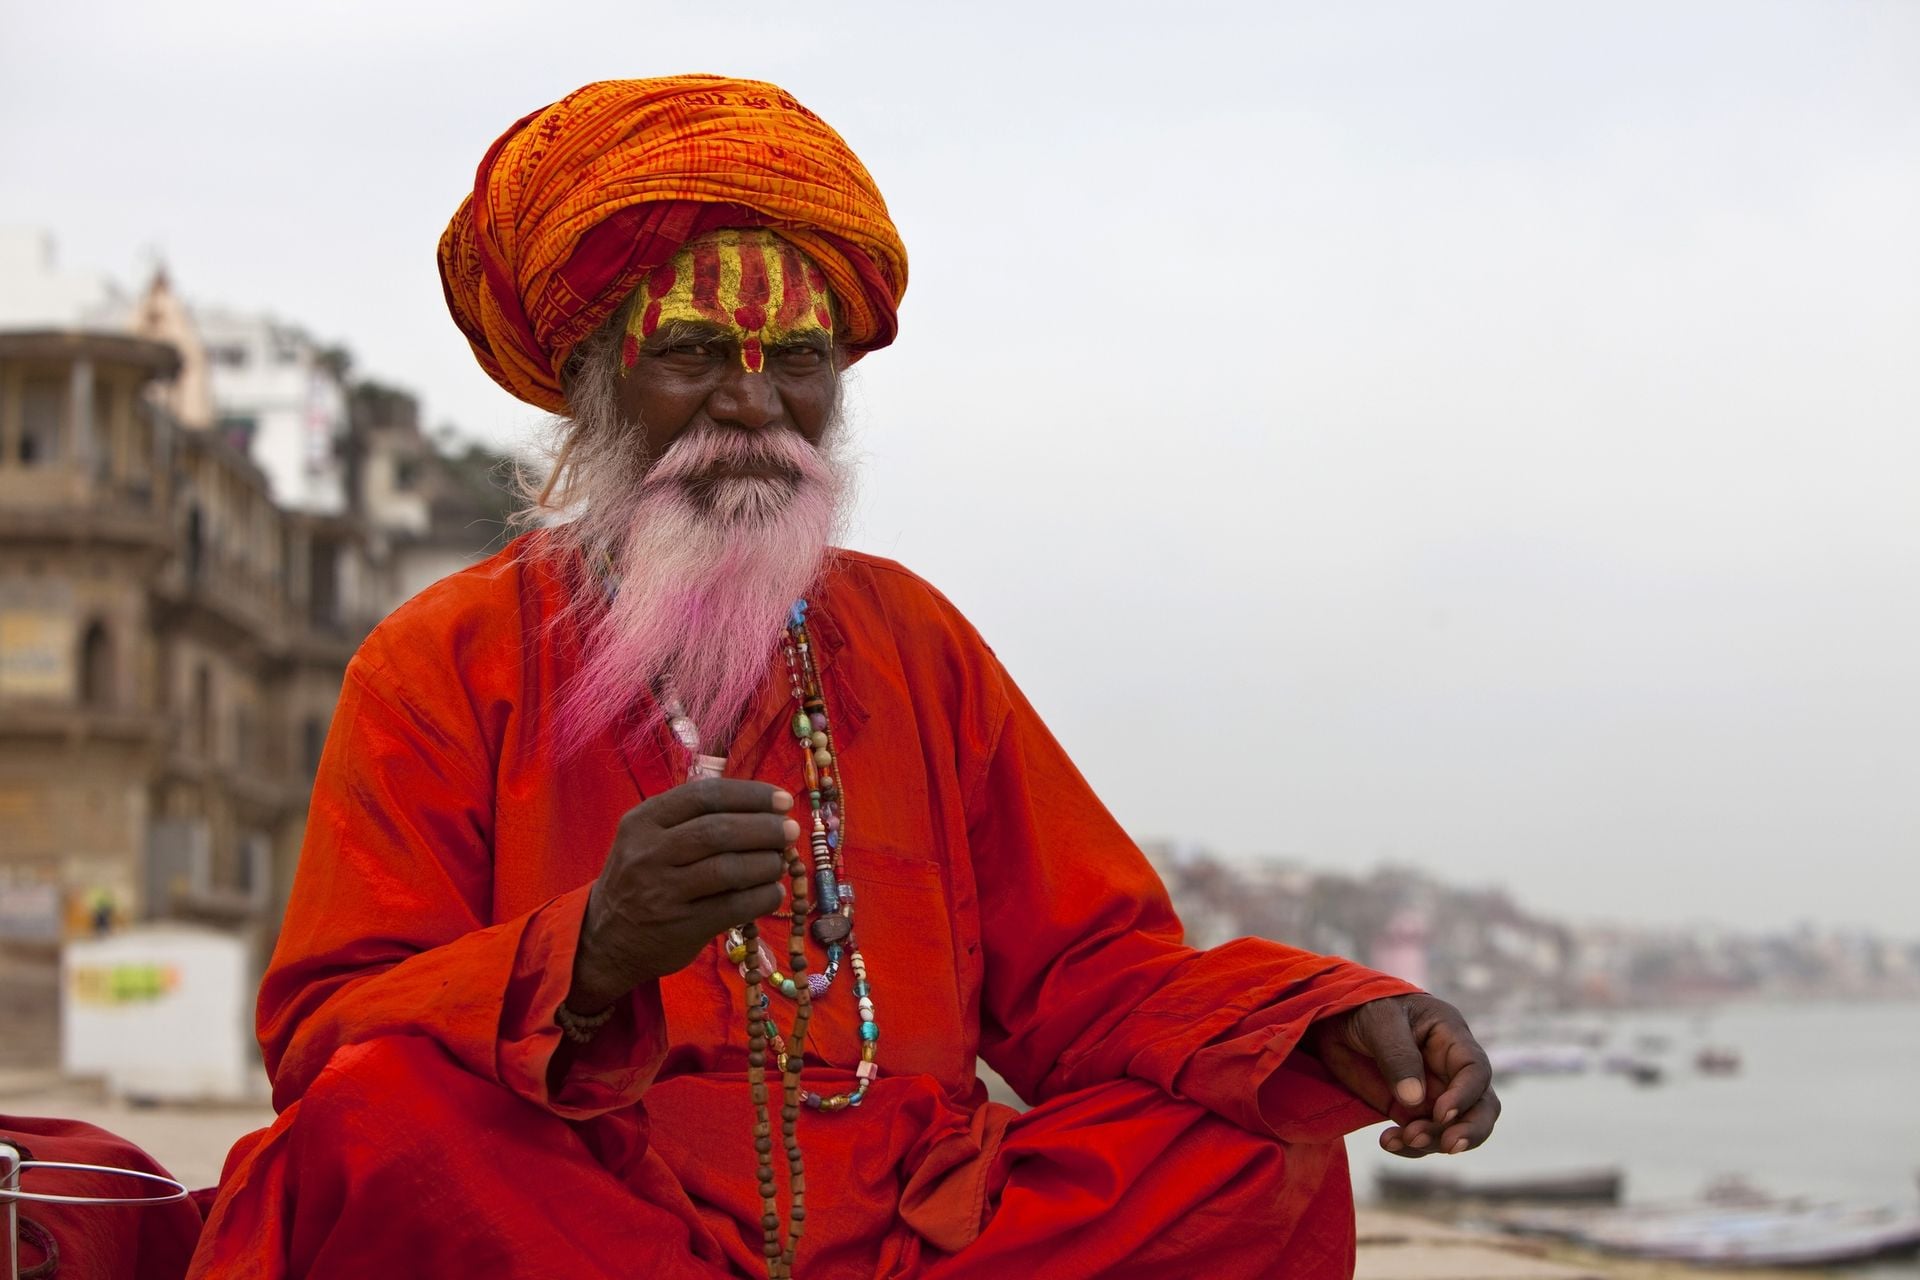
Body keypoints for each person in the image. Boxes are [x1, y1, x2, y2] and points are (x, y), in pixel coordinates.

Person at [186, 75, 1498, 1280]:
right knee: (376, 1129)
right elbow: (328, 1041)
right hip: (591, 1220)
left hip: (919, 1236)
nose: (754, 404)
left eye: (799, 360)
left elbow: (1099, 979)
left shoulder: (912, 641)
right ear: (593, 382)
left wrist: (1330, 1022)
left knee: (1255, 1148)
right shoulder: (445, 660)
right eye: (693, 352)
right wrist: (582, 961)